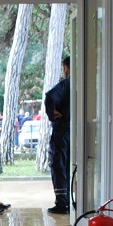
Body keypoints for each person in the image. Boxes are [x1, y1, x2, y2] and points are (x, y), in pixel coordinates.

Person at [44, 56, 70, 214]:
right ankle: (72, 199)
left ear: (66, 67)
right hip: (74, 129)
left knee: (58, 163)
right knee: (69, 165)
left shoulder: (65, 84)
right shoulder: (81, 84)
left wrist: (52, 114)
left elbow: (50, 96)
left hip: (62, 130)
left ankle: (61, 202)